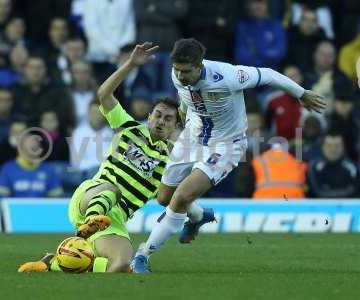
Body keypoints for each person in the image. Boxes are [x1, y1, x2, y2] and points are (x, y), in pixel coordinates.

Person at [131, 38, 326, 273]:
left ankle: (143, 254)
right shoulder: (177, 75)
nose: (180, 76)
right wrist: (182, 119)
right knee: (164, 198)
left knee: (181, 197)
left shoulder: (229, 76)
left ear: (200, 65)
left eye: (186, 71)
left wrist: (301, 93)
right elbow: (185, 98)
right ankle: (199, 215)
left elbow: (269, 74)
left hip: (225, 146)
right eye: (177, 70)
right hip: (192, 137)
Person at [17, 42, 180, 273]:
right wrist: (130, 64)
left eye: (168, 119)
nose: (161, 121)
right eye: (158, 115)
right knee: (112, 189)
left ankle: (53, 263)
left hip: (115, 218)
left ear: (175, 125)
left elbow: (165, 198)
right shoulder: (129, 128)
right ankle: (91, 221)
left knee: (122, 265)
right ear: (149, 116)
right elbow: (104, 94)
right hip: (92, 195)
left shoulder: (172, 160)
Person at [307, 131, 360, 198]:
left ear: (343, 147)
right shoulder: (313, 167)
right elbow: (316, 192)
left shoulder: (353, 168)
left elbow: (356, 192)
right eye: (329, 145)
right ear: (323, 147)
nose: (333, 149)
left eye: (337, 146)